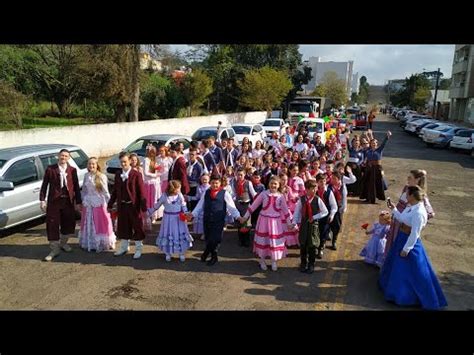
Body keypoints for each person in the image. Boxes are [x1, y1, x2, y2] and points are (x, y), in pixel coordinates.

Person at [380, 186, 447, 310]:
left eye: (407, 193)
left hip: (409, 242)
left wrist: (406, 249)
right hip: (402, 238)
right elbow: (402, 219)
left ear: (411, 196)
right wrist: (394, 209)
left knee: (416, 272)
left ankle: (417, 298)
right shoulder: (411, 206)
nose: (404, 195)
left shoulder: (419, 212)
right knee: (397, 268)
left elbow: (415, 233)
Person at [241, 176, 292, 271]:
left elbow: (285, 211)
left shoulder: (281, 196)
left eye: (275, 184)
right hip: (263, 221)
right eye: (272, 183)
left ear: (279, 185)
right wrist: (245, 217)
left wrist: (289, 223)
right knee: (263, 240)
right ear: (269, 184)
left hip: (275, 223)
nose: (273, 185)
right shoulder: (263, 194)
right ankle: (262, 260)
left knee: (274, 242)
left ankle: (273, 261)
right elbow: (253, 205)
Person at [39, 149, 82, 261]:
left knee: (68, 223)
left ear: (68, 158)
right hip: (54, 202)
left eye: (66, 156)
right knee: (52, 224)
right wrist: (42, 200)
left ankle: (63, 243)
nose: (63, 158)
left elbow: (76, 187)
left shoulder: (72, 170)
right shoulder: (50, 169)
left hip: (68, 201)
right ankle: (54, 249)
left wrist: (78, 202)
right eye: (62, 155)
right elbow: (44, 185)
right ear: (58, 156)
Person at [189, 175, 241, 266]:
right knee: (208, 238)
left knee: (215, 239)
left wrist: (238, 216)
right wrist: (193, 214)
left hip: (218, 220)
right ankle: (209, 254)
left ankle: (211, 255)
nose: (215, 185)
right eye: (213, 183)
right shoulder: (206, 192)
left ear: (220, 183)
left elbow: (231, 207)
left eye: (217, 183)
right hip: (207, 219)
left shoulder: (225, 193)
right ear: (210, 183)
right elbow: (200, 206)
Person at [384, 169, 434, 261]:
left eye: (410, 177)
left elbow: (430, 213)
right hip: (398, 219)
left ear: (417, 179)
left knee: (398, 246)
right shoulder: (406, 188)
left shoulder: (420, 195)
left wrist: (413, 223)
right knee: (392, 243)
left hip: (404, 225)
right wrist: (394, 209)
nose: (407, 179)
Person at [107, 151, 147, 259]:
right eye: (121, 162)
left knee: (137, 226)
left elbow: (141, 191)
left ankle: (138, 248)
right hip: (122, 205)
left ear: (130, 161)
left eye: (125, 162)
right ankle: (124, 246)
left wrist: (143, 207)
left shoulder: (136, 174)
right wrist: (110, 203)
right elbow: (115, 190)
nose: (123, 164)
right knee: (123, 226)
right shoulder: (118, 174)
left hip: (133, 206)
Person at [147, 180, 193, 262]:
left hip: (179, 219)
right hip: (167, 219)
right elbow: (157, 206)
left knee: (179, 234)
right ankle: (168, 253)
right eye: (179, 188)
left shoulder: (180, 195)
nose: (180, 190)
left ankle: (181, 253)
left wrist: (186, 213)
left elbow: (183, 205)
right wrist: (149, 212)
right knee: (168, 234)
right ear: (173, 189)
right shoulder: (164, 196)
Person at [78, 157, 116, 252]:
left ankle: (102, 243)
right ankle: (90, 242)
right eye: (89, 164)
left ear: (97, 165)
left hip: (98, 203)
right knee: (88, 223)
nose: (91, 166)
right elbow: (84, 190)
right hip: (88, 203)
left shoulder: (101, 176)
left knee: (100, 224)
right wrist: (82, 201)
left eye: (93, 164)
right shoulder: (86, 175)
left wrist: (109, 204)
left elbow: (105, 192)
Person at [291, 179, 329, 273]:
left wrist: (315, 217)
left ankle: (311, 264)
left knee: (312, 245)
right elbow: (297, 212)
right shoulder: (302, 199)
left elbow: (325, 211)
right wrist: (294, 222)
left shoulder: (317, 199)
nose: (314, 190)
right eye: (312, 189)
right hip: (304, 225)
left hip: (313, 225)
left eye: (315, 188)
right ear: (307, 190)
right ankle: (303, 263)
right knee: (303, 244)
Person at [360, 131, 392, 204]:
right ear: (370, 144)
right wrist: (365, 163)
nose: (373, 144)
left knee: (376, 184)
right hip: (369, 169)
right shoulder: (368, 151)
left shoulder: (379, 150)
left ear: (377, 144)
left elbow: (384, 143)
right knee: (368, 183)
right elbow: (366, 159)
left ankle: (373, 199)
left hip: (377, 169)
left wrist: (387, 136)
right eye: (372, 143)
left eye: (375, 143)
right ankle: (368, 198)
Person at [231, 168, 257, 247]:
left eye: (241, 175)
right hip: (238, 204)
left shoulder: (248, 183)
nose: (239, 176)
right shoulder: (234, 182)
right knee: (239, 223)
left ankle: (247, 240)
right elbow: (233, 194)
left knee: (247, 223)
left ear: (244, 175)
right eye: (238, 175)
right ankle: (241, 240)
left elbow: (253, 194)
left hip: (246, 205)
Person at [143, 145, 161, 227]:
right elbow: (146, 173)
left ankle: (154, 216)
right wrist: (155, 175)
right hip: (149, 183)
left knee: (154, 199)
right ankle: (149, 216)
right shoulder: (146, 160)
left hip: (155, 183)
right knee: (149, 200)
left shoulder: (154, 160)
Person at [189, 174, 210, 240]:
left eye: (206, 179)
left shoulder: (210, 187)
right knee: (200, 219)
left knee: (206, 219)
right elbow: (197, 197)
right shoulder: (199, 187)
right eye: (203, 179)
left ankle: (205, 233)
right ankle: (201, 232)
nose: (204, 181)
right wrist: (189, 197)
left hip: (207, 205)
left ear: (208, 180)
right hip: (200, 205)